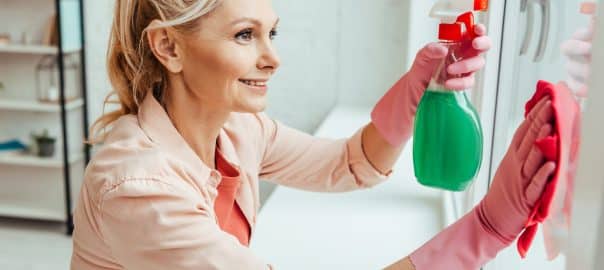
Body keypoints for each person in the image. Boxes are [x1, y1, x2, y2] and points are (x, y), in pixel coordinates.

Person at [70, 0, 555, 269]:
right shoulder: (139, 188)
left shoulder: (237, 130)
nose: (272, 57)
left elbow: (345, 162)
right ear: (167, 47)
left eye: (271, 33)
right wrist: (485, 229)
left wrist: (417, 89)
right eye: (245, 35)